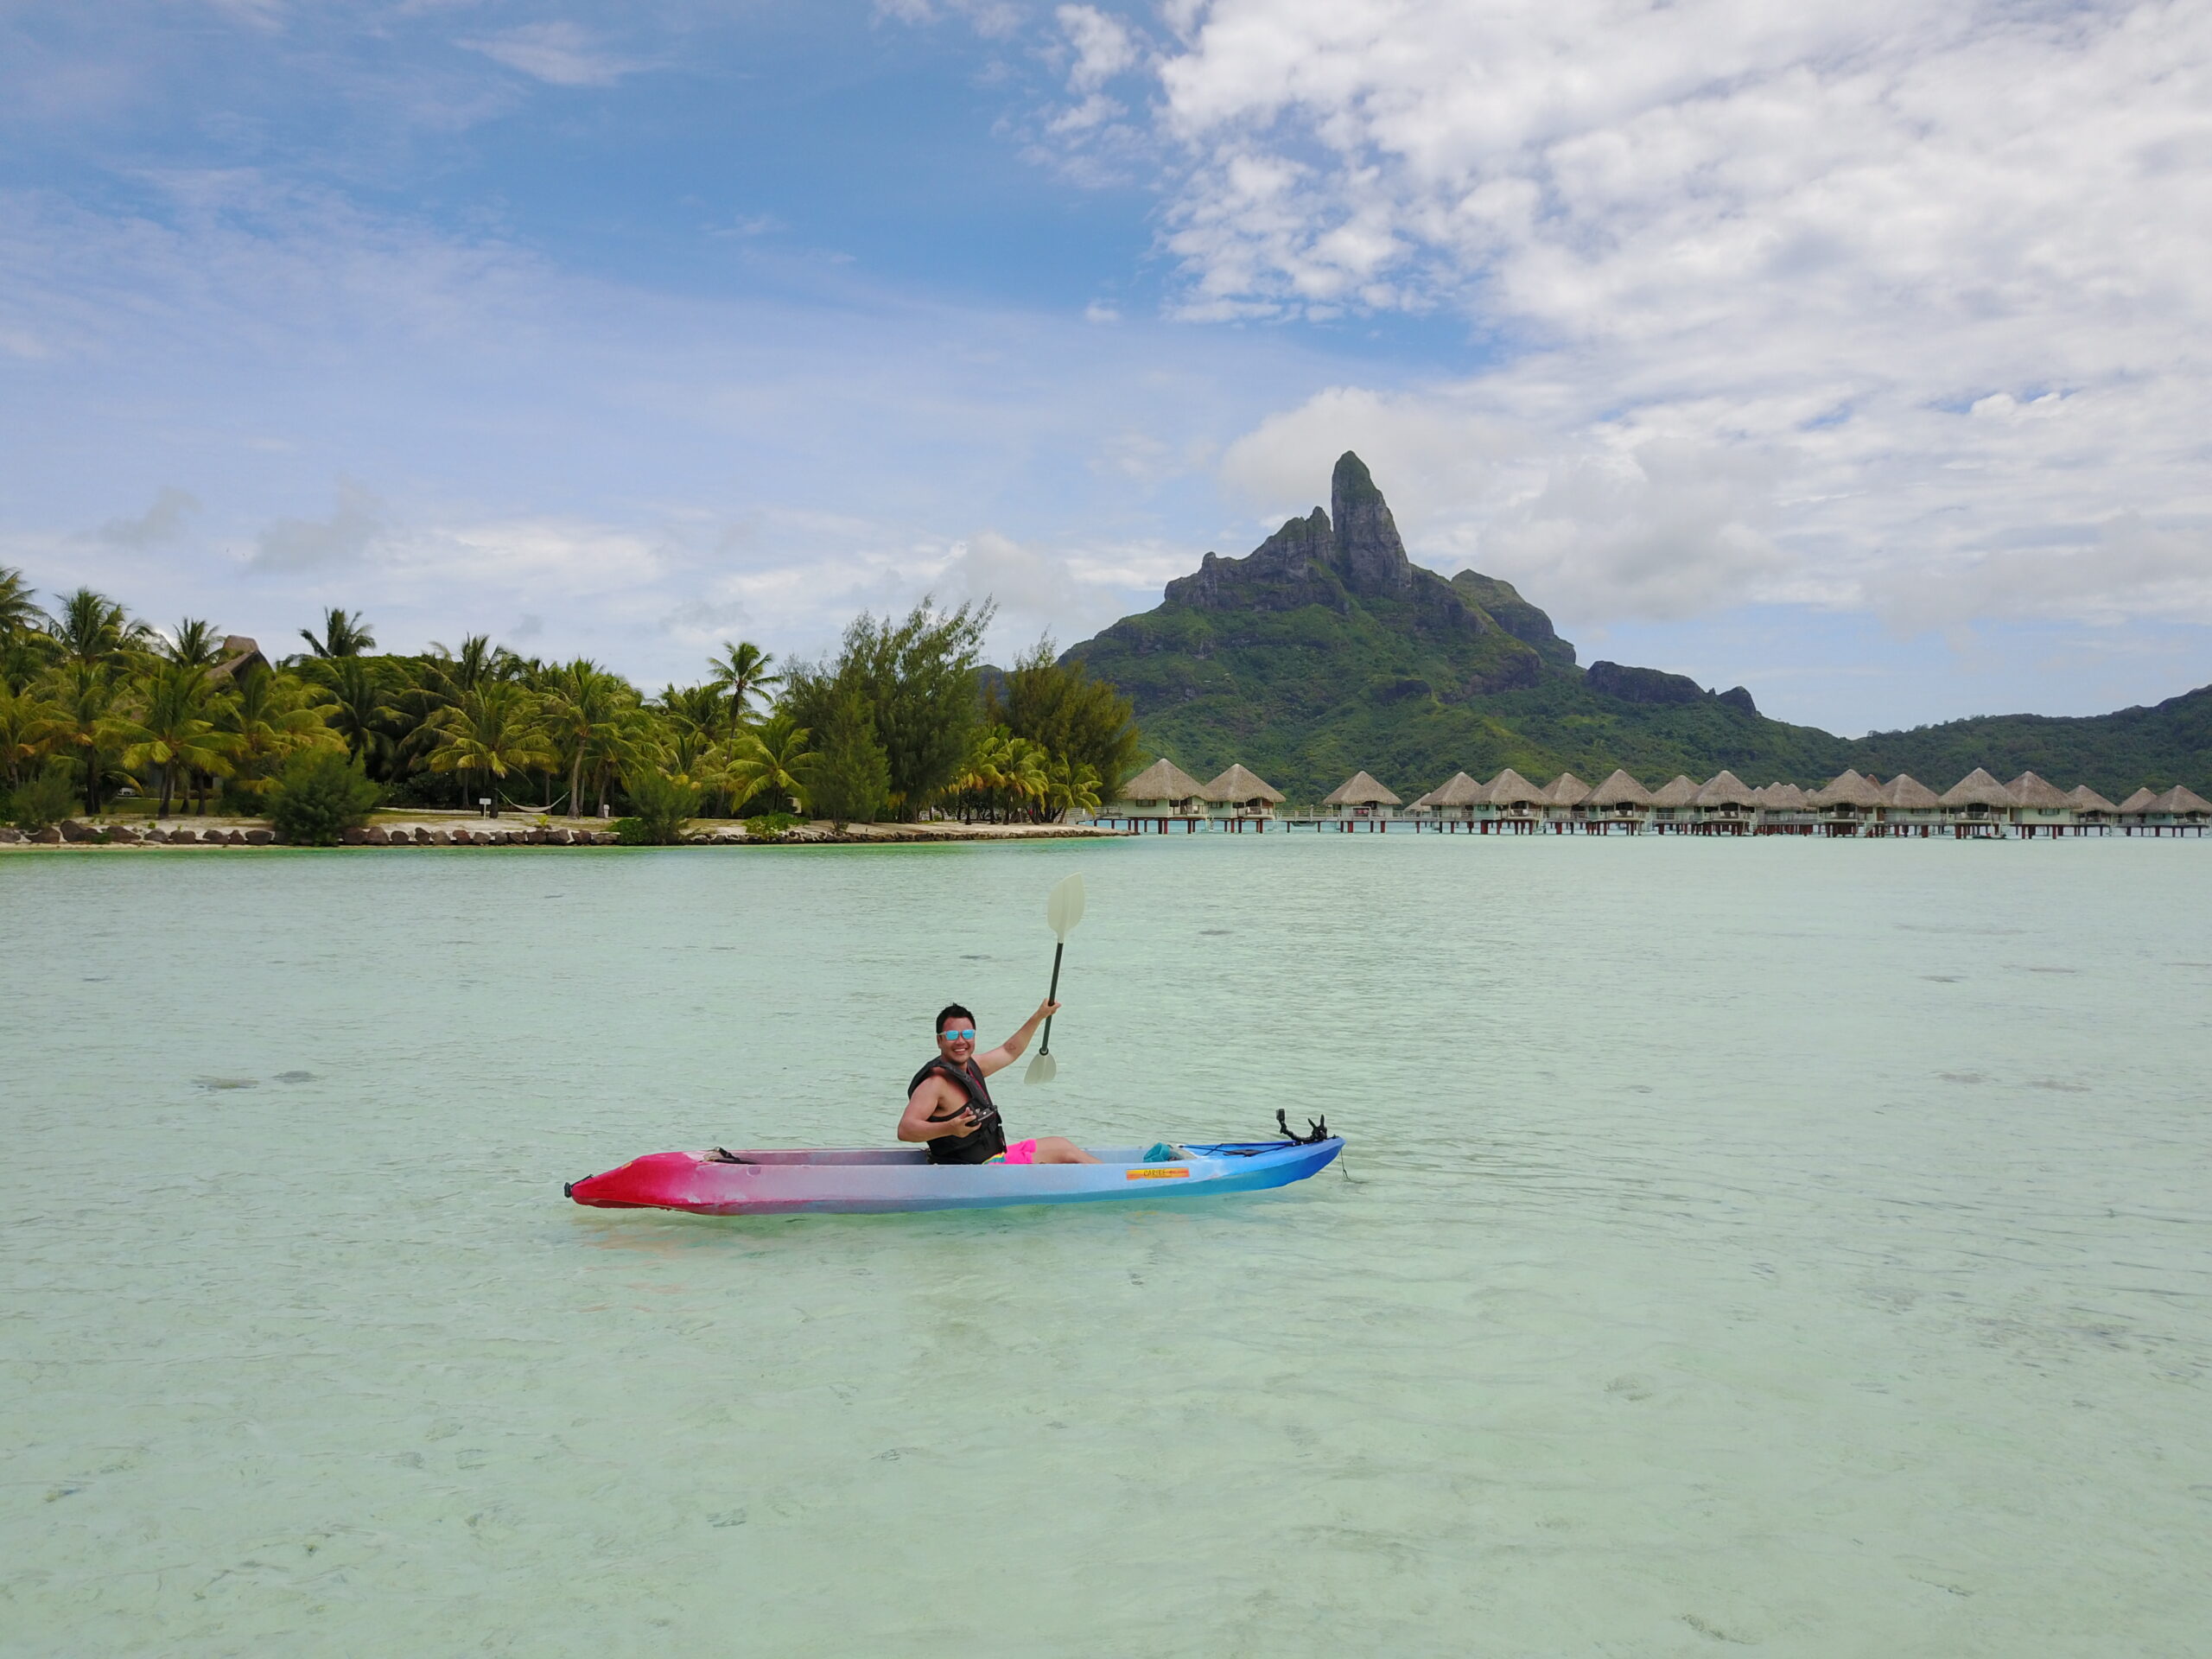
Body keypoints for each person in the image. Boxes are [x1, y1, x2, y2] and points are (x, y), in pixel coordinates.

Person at [899, 1001, 1102, 1166]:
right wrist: (950, 1128)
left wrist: (1040, 1015)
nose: (961, 1041)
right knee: (1064, 1151)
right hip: (974, 1172)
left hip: (995, 1159)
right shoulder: (934, 1083)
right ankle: (1117, 1180)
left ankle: (1108, 1173)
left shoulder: (973, 1066)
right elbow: (905, 1130)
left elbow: (1009, 1050)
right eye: (952, 1035)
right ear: (939, 1041)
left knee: (1062, 1144)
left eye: (967, 1034)